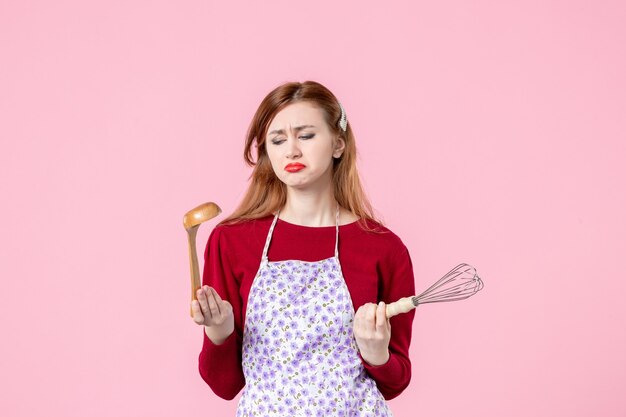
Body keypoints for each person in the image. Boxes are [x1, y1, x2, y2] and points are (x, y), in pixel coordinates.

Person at [191, 80, 416, 416]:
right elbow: (225, 386)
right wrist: (219, 332)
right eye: (277, 140)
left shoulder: (383, 248)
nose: (291, 151)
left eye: (306, 135)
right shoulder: (232, 241)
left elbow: (395, 381)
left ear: (338, 143)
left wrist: (377, 354)